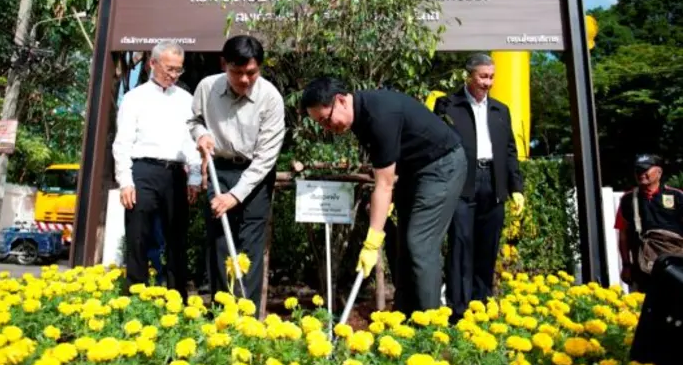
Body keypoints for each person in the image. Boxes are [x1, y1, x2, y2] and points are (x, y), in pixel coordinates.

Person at [301, 77, 467, 314]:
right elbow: (387, 166)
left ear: (341, 101)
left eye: (326, 120)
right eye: (321, 124)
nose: (328, 128)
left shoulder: (379, 115)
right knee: (404, 248)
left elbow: (384, 184)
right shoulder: (359, 116)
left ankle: (431, 323)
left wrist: (371, 242)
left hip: (442, 167)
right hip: (413, 171)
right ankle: (405, 320)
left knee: (419, 244)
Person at [188, 35, 286, 311]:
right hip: (219, 170)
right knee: (220, 242)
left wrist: (235, 196)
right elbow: (194, 120)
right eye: (237, 72)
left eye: (251, 73)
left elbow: (266, 157)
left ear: (260, 68)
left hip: (255, 176)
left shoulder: (271, 98)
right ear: (224, 65)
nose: (244, 79)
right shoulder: (207, 87)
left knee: (250, 248)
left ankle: (246, 317)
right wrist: (201, 134)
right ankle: (222, 315)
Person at [433, 53, 525, 323]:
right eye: (483, 76)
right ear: (468, 76)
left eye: (492, 77)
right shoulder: (448, 105)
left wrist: (516, 187)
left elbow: (510, 150)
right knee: (461, 246)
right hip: (461, 183)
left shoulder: (500, 110)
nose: (488, 82)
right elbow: (435, 146)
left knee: (488, 247)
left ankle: (481, 307)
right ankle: (458, 312)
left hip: (494, 183)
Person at [112, 41, 203, 298]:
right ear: (152, 64)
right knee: (138, 236)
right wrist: (125, 181)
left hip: (176, 173)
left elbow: (191, 142)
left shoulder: (186, 100)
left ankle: (177, 299)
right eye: (169, 69)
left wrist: (195, 177)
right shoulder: (134, 98)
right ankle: (134, 298)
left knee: (177, 238)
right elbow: (122, 142)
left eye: (178, 70)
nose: (173, 75)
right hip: (143, 171)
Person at [614, 153, 683, 293]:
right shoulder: (628, 200)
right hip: (643, 270)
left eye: (645, 169)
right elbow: (623, 236)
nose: (641, 174)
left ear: (659, 172)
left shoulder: (677, 196)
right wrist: (626, 265)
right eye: (638, 170)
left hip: (676, 267)